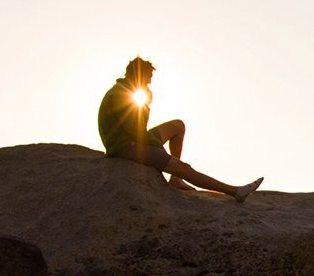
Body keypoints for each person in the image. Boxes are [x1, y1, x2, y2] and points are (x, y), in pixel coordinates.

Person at [97, 56, 263, 202]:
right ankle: (235, 192)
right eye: (148, 78)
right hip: (124, 146)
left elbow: (138, 127)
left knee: (177, 126)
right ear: (138, 75)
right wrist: (159, 150)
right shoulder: (121, 95)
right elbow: (136, 132)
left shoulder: (126, 91)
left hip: (132, 138)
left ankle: (175, 179)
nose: (149, 82)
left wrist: (146, 105)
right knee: (183, 167)